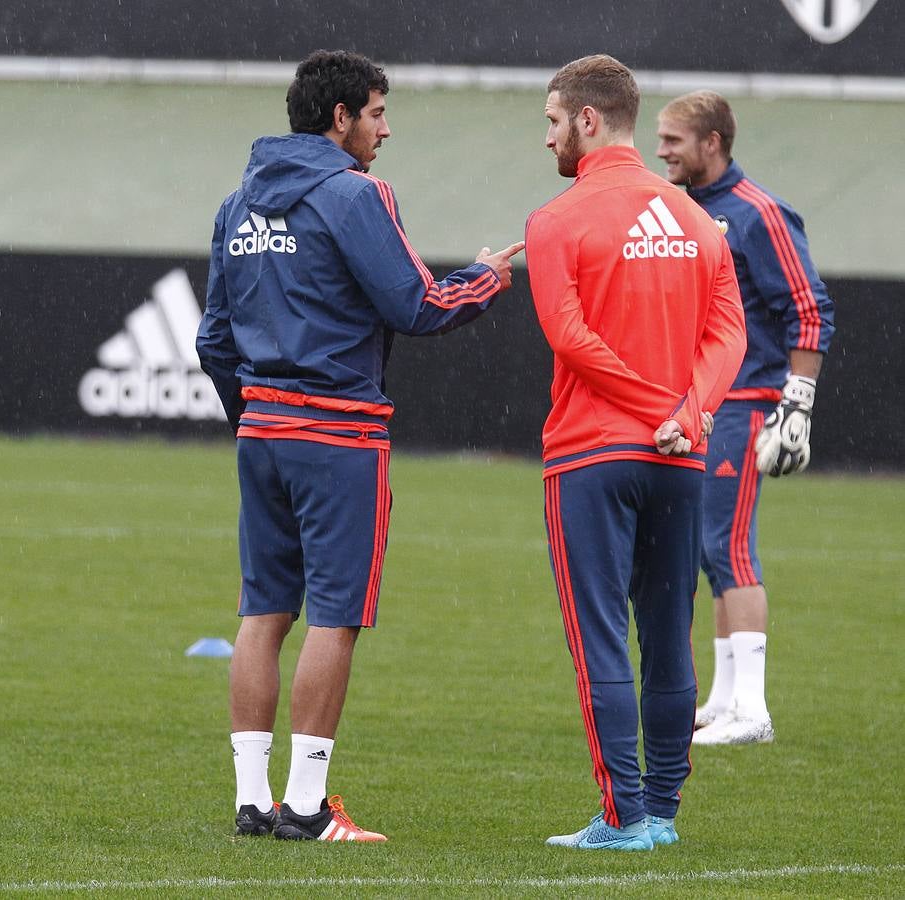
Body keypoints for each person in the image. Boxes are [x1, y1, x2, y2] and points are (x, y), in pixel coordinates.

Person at [197, 49, 523, 842]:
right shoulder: (355, 195)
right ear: (339, 117)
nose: (386, 128)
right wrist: (485, 277)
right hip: (338, 433)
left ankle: (251, 801)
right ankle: (306, 808)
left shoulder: (237, 203)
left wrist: (255, 412)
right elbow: (418, 306)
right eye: (377, 112)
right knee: (335, 617)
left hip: (263, 432)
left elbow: (213, 337)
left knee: (262, 612)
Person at [524, 55, 746, 850]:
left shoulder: (553, 220)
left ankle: (619, 820)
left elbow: (568, 336)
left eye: (551, 122)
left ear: (587, 120)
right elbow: (729, 332)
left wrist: (659, 408)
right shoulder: (696, 219)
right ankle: (660, 815)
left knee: (599, 638)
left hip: (591, 452)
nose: (546, 139)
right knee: (666, 631)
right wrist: (688, 412)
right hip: (678, 457)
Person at [657, 91, 835, 747]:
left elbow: (809, 309)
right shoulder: (680, 211)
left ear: (711, 143)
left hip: (746, 400)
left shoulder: (759, 213)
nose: (661, 151)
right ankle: (724, 699)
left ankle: (752, 711)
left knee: (727, 548)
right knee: (708, 549)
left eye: (673, 139)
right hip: (703, 403)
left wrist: (797, 400)